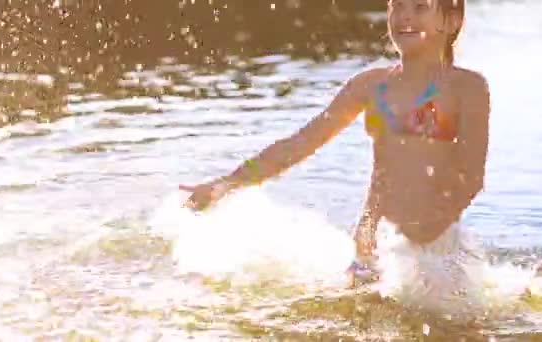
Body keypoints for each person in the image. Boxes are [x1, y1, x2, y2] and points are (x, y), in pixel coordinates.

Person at [180, 0, 492, 315]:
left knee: (453, 329)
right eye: (397, 6)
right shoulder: (371, 85)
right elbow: (300, 143)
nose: (405, 16)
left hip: (435, 249)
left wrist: (426, 227)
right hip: (374, 245)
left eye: (420, 7)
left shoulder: (466, 88)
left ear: (451, 20)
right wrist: (228, 182)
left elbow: (471, 175)